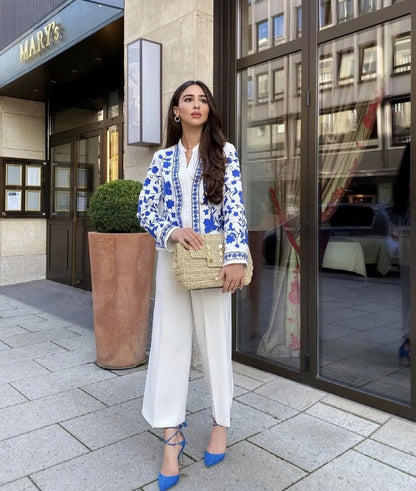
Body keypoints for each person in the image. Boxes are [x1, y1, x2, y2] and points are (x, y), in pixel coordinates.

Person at [137, 80, 249, 491]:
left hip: (214, 264)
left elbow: (236, 206)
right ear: (176, 111)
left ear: (209, 110)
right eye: (188, 99)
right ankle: (172, 438)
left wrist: (236, 257)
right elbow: (145, 208)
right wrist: (171, 230)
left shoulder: (224, 152)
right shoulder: (161, 159)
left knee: (215, 343)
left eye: (203, 99)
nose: (197, 104)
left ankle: (221, 422)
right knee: (169, 346)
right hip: (172, 265)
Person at [392, 141, 411, 366]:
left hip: (407, 236)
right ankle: (408, 344)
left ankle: (407, 343)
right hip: (409, 237)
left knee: (408, 295)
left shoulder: (403, 178)